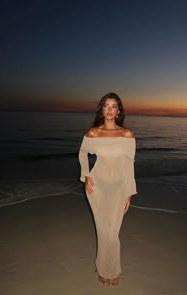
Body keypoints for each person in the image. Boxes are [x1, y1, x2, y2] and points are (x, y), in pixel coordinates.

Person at [78, 92, 137, 287]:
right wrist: (86, 174)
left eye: (113, 106)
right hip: (97, 187)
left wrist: (129, 191)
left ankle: (110, 269)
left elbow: (129, 165)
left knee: (112, 232)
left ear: (118, 111)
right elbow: (82, 153)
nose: (109, 109)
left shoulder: (127, 134)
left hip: (119, 188)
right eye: (106, 105)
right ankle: (106, 270)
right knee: (103, 231)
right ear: (101, 109)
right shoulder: (93, 133)